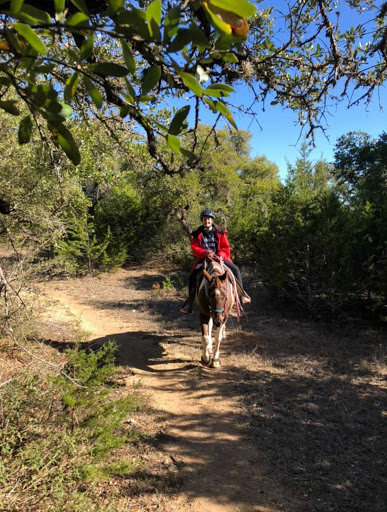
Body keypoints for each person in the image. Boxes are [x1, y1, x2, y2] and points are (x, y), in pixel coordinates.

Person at [180, 208, 251, 314]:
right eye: (204, 219)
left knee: (235, 270)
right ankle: (190, 303)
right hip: (204, 258)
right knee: (192, 275)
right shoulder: (197, 233)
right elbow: (195, 248)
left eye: (209, 219)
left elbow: (225, 247)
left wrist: (221, 255)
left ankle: (241, 296)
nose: (207, 221)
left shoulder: (220, 232)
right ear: (202, 220)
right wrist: (204, 253)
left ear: (212, 220)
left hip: (219, 258)